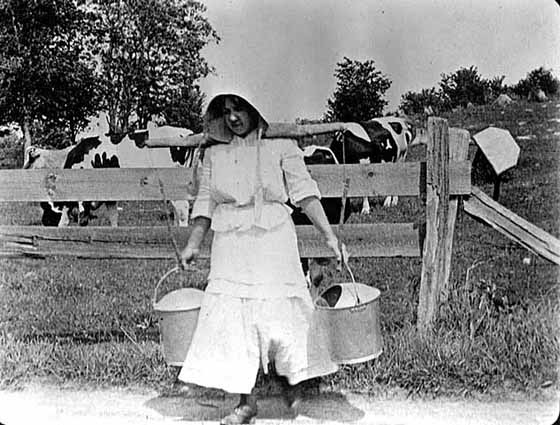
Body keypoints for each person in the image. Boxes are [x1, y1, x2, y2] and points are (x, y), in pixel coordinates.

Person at [178, 93, 343, 424]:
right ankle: (245, 401)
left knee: (283, 313)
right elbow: (206, 200)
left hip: (273, 239)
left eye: (239, 108)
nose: (233, 117)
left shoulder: (281, 145)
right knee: (233, 319)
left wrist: (329, 236)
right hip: (231, 243)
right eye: (226, 112)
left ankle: (296, 389)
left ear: (256, 108)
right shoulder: (214, 151)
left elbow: (304, 192)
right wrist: (194, 243)